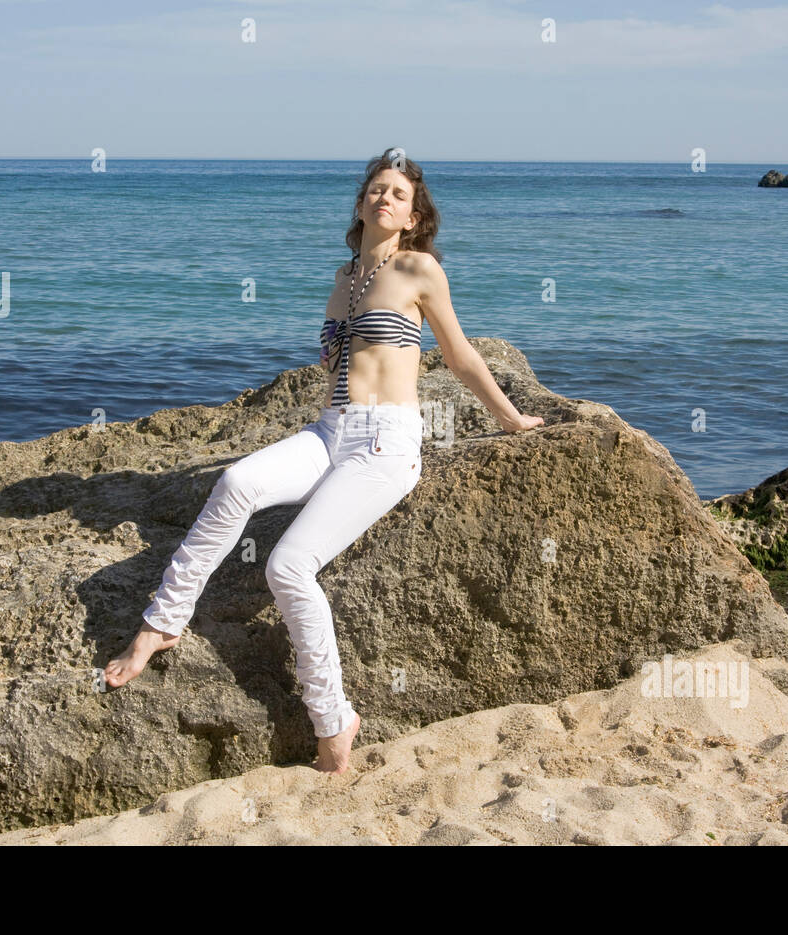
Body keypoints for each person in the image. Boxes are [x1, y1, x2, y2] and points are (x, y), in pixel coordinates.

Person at [104, 147, 543, 774]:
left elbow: (462, 355)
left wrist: (512, 418)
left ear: (414, 217)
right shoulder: (344, 279)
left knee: (288, 566)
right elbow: (335, 367)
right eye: (376, 189)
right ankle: (163, 623)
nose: (384, 198)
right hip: (329, 432)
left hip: (386, 444)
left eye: (398, 194)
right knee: (235, 481)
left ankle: (334, 724)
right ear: (361, 203)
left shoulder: (419, 270)